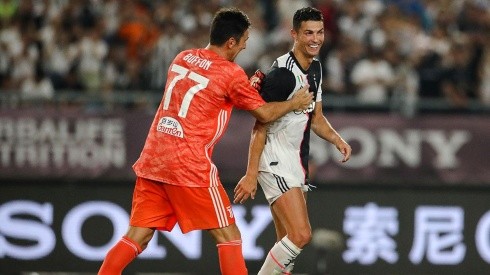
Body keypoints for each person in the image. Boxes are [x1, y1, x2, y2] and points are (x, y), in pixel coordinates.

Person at [97, 7, 314, 275]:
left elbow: (207, 91)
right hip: (188, 164)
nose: (244, 48)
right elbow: (264, 113)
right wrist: (295, 102)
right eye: (244, 42)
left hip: (154, 159)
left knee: (136, 237)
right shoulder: (230, 73)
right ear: (231, 42)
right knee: (229, 236)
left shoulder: (182, 57)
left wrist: (246, 88)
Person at [233, 7, 352, 274]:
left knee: (287, 246)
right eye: (308, 32)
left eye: (319, 32)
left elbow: (317, 118)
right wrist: (251, 173)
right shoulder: (282, 76)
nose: (315, 38)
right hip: (274, 159)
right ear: (294, 34)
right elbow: (260, 123)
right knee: (301, 235)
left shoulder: (316, 68)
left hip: (295, 163)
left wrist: (337, 139)